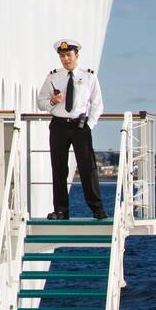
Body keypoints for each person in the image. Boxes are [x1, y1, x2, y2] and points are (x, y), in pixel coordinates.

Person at [36, 38, 105, 220]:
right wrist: (53, 101)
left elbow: (97, 105)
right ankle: (61, 210)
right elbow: (41, 102)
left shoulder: (88, 76)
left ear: (77, 55)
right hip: (58, 125)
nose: (66, 59)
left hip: (80, 126)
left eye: (68, 55)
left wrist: (89, 125)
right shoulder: (53, 77)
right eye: (62, 56)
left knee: (87, 168)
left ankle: (97, 209)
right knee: (58, 169)